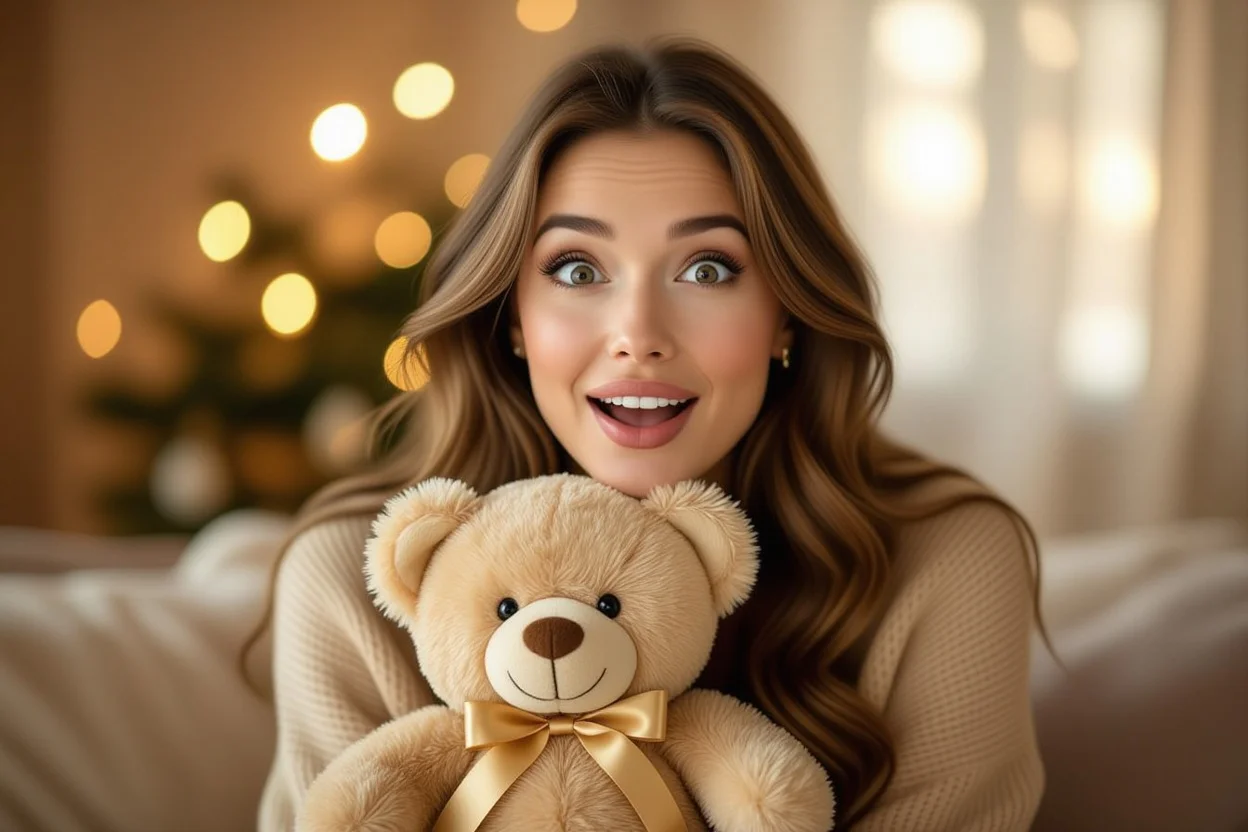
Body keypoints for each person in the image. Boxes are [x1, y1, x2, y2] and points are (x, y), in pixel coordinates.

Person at [251, 36, 1046, 831]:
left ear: (787, 315)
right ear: (514, 318)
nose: (638, 334)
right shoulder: (358, 579)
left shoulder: (946, 564)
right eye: (576, 269)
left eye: (707, 268)